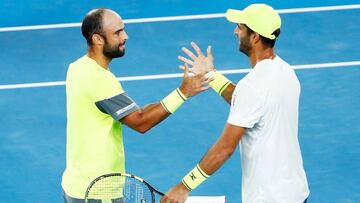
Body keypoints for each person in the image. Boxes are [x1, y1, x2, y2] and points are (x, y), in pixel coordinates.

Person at [161, 4, 309, 203]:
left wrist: (183, 187)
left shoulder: (253, 86)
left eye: (240, 27)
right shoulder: (286, 72)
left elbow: (224, 148)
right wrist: (211, 75)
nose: (235, 31)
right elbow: (249, 103)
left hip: (268, 198)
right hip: (296, 193)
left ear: (255, 37)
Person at [61, 8, 210, 203]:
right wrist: (183, 93)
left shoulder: (78, 68)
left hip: (77, 185)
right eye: (117, 32)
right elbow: (141, 122)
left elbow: (134, 112)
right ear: (98, 39)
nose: (125, 36)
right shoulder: (100, 80)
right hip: (99, 192)